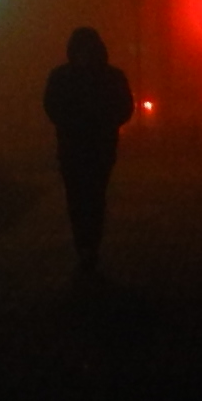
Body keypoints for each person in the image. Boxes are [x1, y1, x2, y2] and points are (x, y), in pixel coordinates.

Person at [40, 25, 136, 273]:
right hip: (98, 146)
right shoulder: (112, 77)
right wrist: (108, 122)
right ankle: (89, 244)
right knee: (91, 196)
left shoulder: (61, 77)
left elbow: (50, 105)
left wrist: (69, 122)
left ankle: (85, 244)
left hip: (76, 146)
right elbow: (125, 107)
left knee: (82, 197)